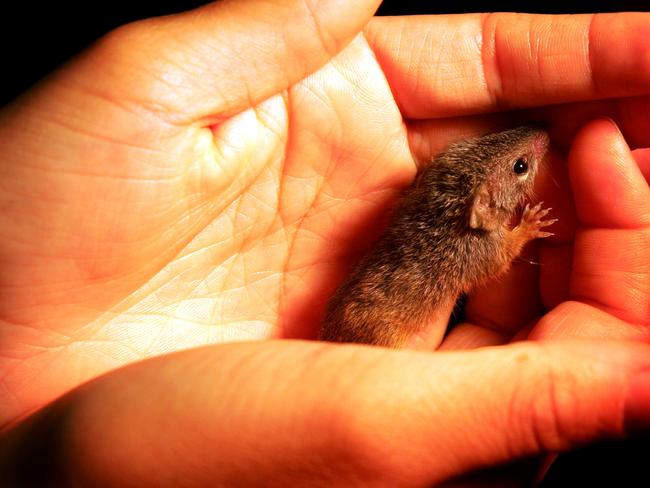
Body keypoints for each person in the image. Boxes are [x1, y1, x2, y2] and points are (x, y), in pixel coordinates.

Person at [0, 0, 648, 485]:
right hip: (374, 326)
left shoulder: (448, 223)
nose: (532, 156)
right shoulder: (477, 240)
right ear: (484, 207)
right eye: (519, 172)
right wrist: (524, 232)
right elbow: (487, 265)